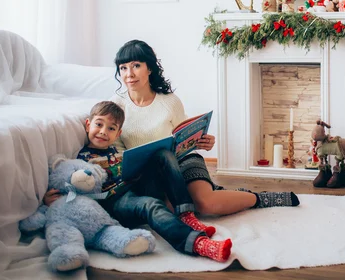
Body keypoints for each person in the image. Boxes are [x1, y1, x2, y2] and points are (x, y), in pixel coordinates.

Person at [111, 40, 300, 216]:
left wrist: (203, 141)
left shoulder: (169, 102)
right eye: (123, 68)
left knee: (205, 205)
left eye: (136, 66)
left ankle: (259, 198)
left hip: (182, 162)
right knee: (167, 209)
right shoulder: (116, 106)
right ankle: (219, 191)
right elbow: (116, 148)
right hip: (146, 175)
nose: (129, 74)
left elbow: (182, 134)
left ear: (149, 68)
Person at [44, 101, 232, 262]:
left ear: (118, 134)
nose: (103, 132)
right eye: (98, 125)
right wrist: (51, 199)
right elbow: (66, 180)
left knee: (163, 154)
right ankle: (197, 243)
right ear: (87, 125)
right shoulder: (81, 157)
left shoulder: (116, 153)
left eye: (111, 128)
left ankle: (186, 215)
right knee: (151, 205)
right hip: (113, 203)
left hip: (131, 187)